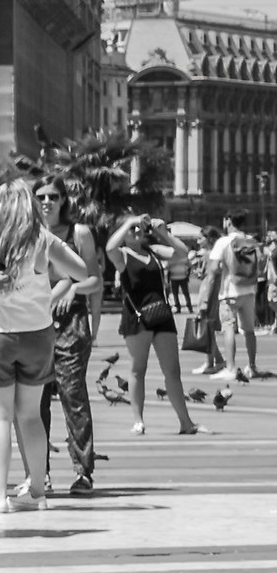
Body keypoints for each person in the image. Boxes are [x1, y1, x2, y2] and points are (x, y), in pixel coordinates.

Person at [0, 178, 94, 511]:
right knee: (30, 416)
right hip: (38, 335)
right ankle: (37, 492)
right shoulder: (42, 238)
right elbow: (81, 271)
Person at [33, 178, 104, 495]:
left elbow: (95, 282)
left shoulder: (79, 233)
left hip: (71, 322)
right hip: (35, 322)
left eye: (53, 196)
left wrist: (75, 287)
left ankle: (83, 471)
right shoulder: (29, 233)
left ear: (64, 200)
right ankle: (40, 471)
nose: (47, 201)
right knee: (37, 402)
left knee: (74, 397)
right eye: (41, 196)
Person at [106, 214, 199, 439]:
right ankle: (139, 421)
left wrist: (162, 233)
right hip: (138, 316)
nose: (138, 232)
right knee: (138, 369)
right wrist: (129, 221)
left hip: (161, 314)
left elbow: (182, 253)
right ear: (124, 232)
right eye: (132, 230)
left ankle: (186, 422)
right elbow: (110, 248)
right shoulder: (123, 255)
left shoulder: (153, 251)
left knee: (173, 371)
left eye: (140, 229)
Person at [209, 211, 263, 382]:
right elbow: (260, 263)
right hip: (249, 290)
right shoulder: (251, 241)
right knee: (249, 330)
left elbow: (213, 268)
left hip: (229, 292)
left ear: (228, 221)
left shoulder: (223, 242)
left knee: (228, 328)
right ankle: (252, 366)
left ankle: (231, 368)